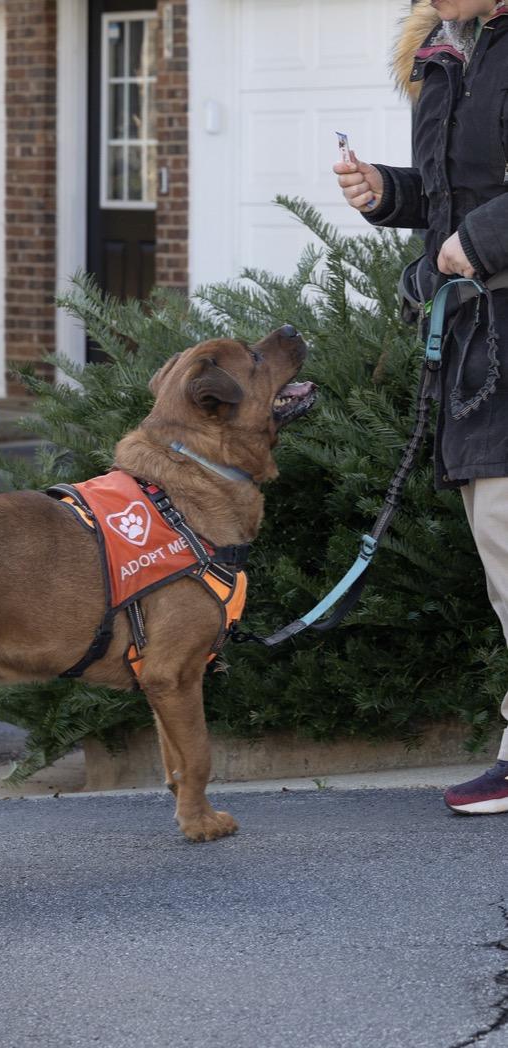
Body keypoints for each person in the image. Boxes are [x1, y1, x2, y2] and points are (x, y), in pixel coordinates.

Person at [333, 0, 508, 814]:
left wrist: (480, 241)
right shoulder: (439, 55)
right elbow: (454, 199)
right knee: (498, 552)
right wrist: (387, 193)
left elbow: (480, 221)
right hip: (477, 344)